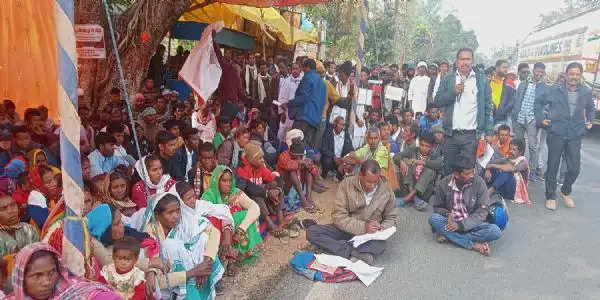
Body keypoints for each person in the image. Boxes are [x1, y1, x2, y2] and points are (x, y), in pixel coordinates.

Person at [306, 160, 397, 265]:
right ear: (360, 176)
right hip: (346, 229)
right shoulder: (346, 184)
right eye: (369, 182)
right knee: (312, 231)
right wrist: (363, 226)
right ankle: (353, 252)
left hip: (368, 235)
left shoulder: (386, 190)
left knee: (380, 245)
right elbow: (338, 216)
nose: (372, 186)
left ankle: (335, 247)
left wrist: (381, 228)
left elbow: (391, 217)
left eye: (375, 182)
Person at [138, 192, 223, 299]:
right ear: (157, 215)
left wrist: (206, 264)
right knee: (170, 245)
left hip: (197, 269)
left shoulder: (184, 221)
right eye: (170, 213)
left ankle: (206, 278)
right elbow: (155, 264)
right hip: (170, 279)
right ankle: (182, 293)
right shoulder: (151, 232)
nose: (176, 216)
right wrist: (151, 271)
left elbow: (214, 232)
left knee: (203, 238)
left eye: (178, 210)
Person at [535, 62, 594, 210]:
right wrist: (541, 119)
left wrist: (591, 120)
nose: (574, 77)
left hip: (575, 134)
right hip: (557, 132)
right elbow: (538, 103)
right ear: (566, 75)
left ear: (581, 76)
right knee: (553, 166)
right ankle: (550, 196)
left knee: (575, 168)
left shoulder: (586, 92)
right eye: (571, 74)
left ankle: (565, 190)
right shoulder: (555, 90)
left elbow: (591, 108)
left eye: (577, 74)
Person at [434, 48, 493, 176]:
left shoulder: (482, 80)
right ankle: (450, 196)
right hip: (450, 135)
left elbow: (488, 108)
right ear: (457, 61)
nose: (465, 62)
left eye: (468, 59)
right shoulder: (448, 79)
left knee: (467, 174)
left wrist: (488, 132)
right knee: (449, 172)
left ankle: (465, 196)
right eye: (462, 59)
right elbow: (437, 101)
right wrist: (453, 92)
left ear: (472, 61)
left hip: (471, 137)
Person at [429, 155, 502, 256]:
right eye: (468, 173)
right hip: (450, 223)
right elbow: (437, 207)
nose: (472, 175)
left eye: (473, 171)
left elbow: (482, 212)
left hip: (471, 223)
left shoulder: (479, 183)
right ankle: (473, 245)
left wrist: (461, 225)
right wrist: (448, 214)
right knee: (434, 219)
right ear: (456, 174)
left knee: (495, 231)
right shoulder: (443, 184)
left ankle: (451, 237)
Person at [5, 242, 119, 300]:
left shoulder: (76, 292)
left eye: (52, 272)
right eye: (37, 276)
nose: (47, 282)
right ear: (21, 278)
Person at [200, 166, 262, 266]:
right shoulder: (208, 196)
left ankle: (243, 253)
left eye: (230, 180)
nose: (228, 184)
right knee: (225, 218)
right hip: (218, 234)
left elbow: (255, 208)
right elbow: (204, 219)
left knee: (244, 215)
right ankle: (226, 257)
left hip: (236, 232)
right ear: (217, 181)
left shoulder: (235, 192)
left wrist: (241, 228)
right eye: (224, 181)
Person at [235, 142, 287, 237]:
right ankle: (270, 224)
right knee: (257, 194)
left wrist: (277, 190)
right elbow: (247, 187)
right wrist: (267, 193)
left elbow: (275, 179)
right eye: (259, 158)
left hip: (262, 196)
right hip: (248, 201)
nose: (263, 160)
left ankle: (281, 219)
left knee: (275, 185)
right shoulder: (242, 169)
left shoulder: (260, 167)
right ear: (251, 159)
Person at [513, 62, 547, 181]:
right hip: (519, 118)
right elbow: (516, 99)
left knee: (533, 147)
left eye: (542, 72)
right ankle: (518, 168)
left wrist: (542, 117)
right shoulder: (523, 84)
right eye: (538, 71)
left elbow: (546, 105)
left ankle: (531, 172)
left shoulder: (544, 87)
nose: (539, 74)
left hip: (532, 120)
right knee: (519, 145)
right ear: (534, 71)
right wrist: (514, 115)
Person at [395, 133, 442, 210]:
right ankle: (413, 197)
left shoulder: (435, 155)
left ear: (432, 147)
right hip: (409, 187)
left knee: (430, 170)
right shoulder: (413, 150)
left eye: (427, 146)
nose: (423, 148)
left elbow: (439, 164)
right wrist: (401, 162)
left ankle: (407, 199)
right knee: (407, 161)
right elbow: (397, 156)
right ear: (419, 143)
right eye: (422, 145)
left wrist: (422, 162)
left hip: (423, 193)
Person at [287, 59, 327, 147]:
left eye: (303, 68)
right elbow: (323, 103)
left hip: (303, 118)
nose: (303, 71)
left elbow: (303, 97)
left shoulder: (307, 77)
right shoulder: (323, 84)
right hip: (315, 121)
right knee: (305, 148)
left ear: (307, 67)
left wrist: (288, 103)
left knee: (294, 145)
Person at [277, 141, 319, 213]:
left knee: (308, 171)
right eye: (297, 156)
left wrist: (310, 166)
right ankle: (303, 199)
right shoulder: (283, 155)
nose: (299, 157)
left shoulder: (302, 156)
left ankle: (308, 197)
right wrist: (300, 162)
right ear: (291, 153)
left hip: (298, 184)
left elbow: (315, 172)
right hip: (285, 186)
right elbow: (288, 166)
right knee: (292, 171)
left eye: (300, 156)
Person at [485, 138, 530, 204]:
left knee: (507, 171)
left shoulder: (523, 162)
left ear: (520, 152)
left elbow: (511, 168)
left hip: (514, 192)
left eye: (514, 150)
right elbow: (490, 162)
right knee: (493, 168)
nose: (511, 151)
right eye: (510, 149)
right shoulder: (509, 158)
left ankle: (490, 191)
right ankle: (484, 188)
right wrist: (488, 170)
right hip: (505, 188)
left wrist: (493, 165)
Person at [0, 194, 39, 260]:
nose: (11, 211)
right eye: (3, 209)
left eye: (13, 205)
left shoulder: (29, 229)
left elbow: (38, 255)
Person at [320, 116, 354, 181]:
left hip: (341, 160)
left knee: (352, 160)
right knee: (327, 160)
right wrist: (333, 156)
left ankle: (338, 175)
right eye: (340, 124)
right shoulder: (328, 133)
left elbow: (351, 149)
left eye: (343, 125)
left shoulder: (346, 135)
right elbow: (323, 148)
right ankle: (325, 174)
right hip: (332, 159)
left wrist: (345, 158)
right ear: (335, 124)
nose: (342, 127)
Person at [490, 59, 516, 126]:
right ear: (497, 68)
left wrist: (503, 111)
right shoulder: (488, 82)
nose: (506, 70)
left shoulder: (509, 83)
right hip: (488, 118)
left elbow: (512, 100)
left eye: (507, 67)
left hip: (502, 119)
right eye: (504, 67)